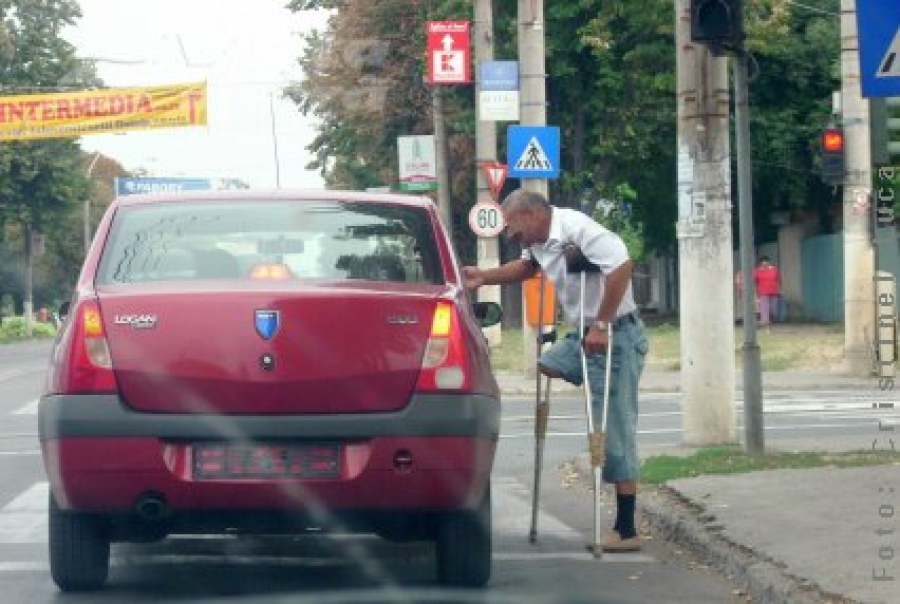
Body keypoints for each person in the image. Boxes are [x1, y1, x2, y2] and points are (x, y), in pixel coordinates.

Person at [463, 189, 648, 552]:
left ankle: (626, 529)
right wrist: (483, 277)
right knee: (547, 365)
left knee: (614, 430)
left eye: (513, 228)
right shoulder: (538, 242)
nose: (510, 235)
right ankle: (590, 376)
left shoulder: (577, 229)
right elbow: (527, 268)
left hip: (615, 335)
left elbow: (622, 265)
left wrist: (602, 324)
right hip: (580, 335)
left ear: (533, 215)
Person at [753, 256, 780, 330]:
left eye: (766, 261)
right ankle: (766, 325)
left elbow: (778, 280)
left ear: (769, 262)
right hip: (763, 292)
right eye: (763, 262)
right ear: (761, 263)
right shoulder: (757, 271)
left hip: (774, 291)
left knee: (773, 309)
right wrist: (755, 294)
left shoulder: (774, 270)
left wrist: (780, 290)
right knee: (765, 308)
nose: (765, 263)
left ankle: (766, 322)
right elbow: (754, 282)